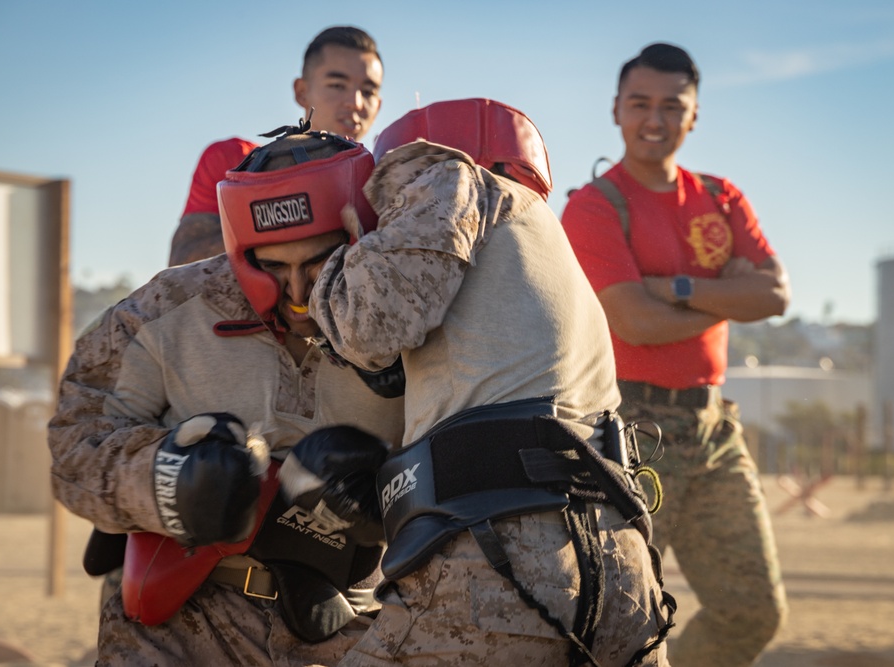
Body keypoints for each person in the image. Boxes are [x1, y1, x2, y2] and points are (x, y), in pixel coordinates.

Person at [293, 98, 674, 666]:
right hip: (620, 562)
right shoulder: (543, 236)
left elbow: (369, 324)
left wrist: (333, 268)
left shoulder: (447, 176)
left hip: (500, 555)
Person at [49, 127, 404, 665]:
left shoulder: (418, 318)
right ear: (242, 248)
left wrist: (388, 493)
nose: (300, 294)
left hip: (348, 631)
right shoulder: (167, 308)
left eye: (320, 264)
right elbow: (73, 444)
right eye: (273, 266)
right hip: (174, 629)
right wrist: (163, 478)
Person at [560, 43, 790, 666]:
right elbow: (634, 321)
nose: (654, 119)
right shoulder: (593, 206)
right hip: (630, 432)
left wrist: (677, 289)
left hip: (716, 430)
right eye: (640, 104)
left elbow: (775, 294)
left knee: (753, 612)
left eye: (672, 106)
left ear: (695, 117)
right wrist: (730, 295)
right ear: (615, 110)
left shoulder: (720, 197)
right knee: (616, 619)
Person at [169, 25, 384, 266]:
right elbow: (182, 262)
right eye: (337, 85)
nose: (355, 103)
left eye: (367, 91)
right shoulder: (234, 162)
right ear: (302, 92)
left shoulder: (390, 186)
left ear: (378, 105)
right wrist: (296, 212)